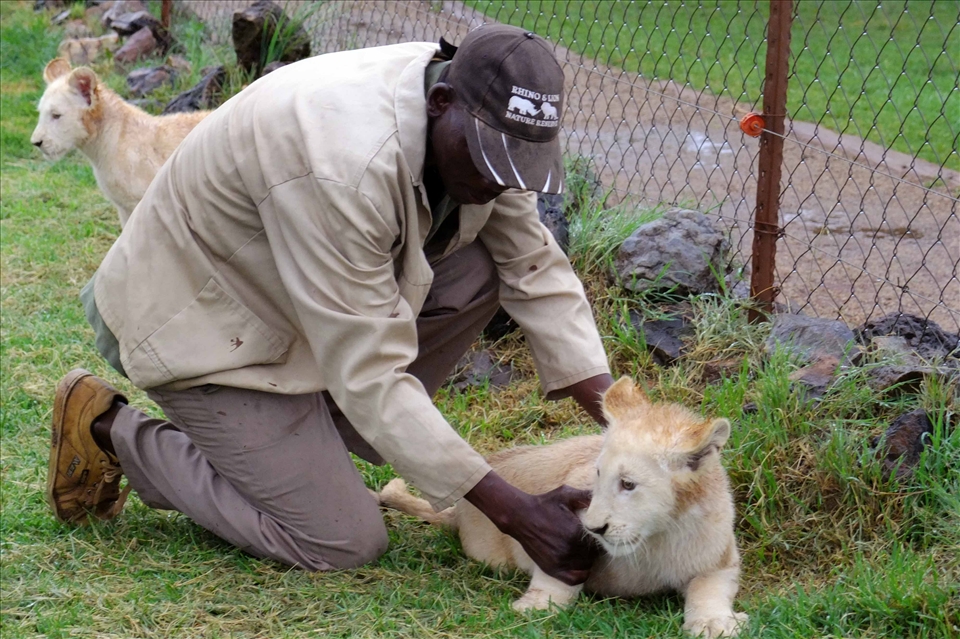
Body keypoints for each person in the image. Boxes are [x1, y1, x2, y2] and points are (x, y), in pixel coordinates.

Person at [47, 24, 614, 586]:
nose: (498, 182)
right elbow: (370, 370)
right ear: (442, 103)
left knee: (481, 268)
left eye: (514, 164)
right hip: (196, 319)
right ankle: (108, 428)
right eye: (491, 160)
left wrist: (630, 430)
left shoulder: (477, 109)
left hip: (289, 305)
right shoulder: (344, 162)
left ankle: (297, 453)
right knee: (340, 537)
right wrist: (514, 512)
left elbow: (533, 268)